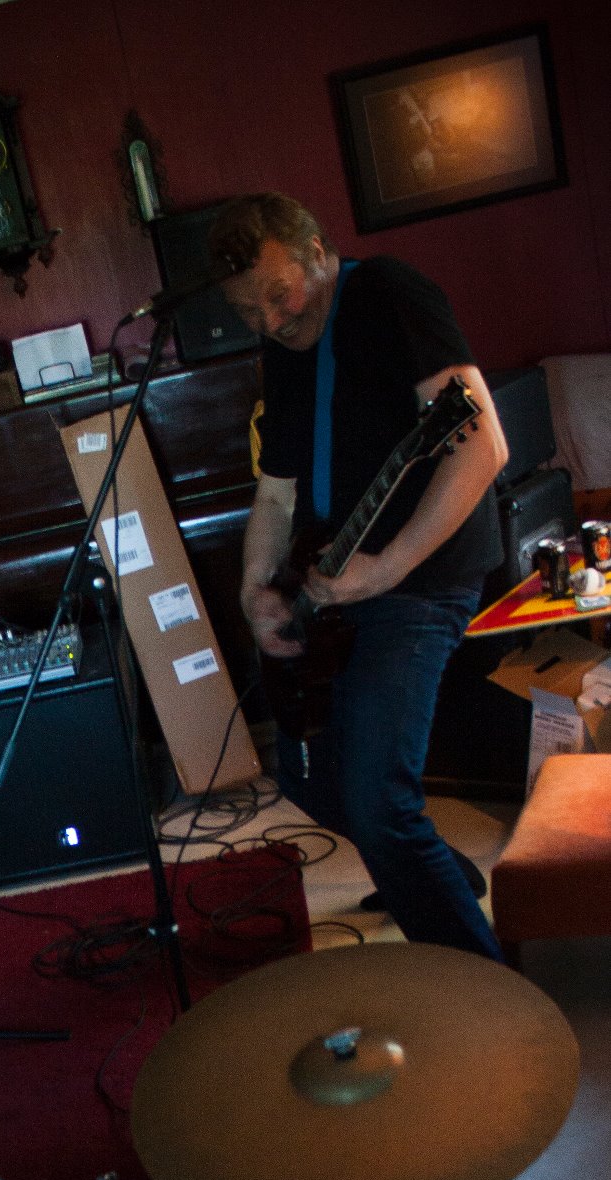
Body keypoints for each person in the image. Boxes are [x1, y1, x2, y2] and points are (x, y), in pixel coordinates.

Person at [211, 193, 508, 958]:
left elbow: (483, 447)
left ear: (316, 252)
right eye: (247, 311)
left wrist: (386, 568)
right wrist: (253, 591)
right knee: (309, 781)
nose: (271, 321)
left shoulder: (389, 294)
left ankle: (492, 990)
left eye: (279, 295)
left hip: (421, 575)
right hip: (336, 578)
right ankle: (431, 871)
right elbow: (276, 493)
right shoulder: (284, 348)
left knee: (378, 803)